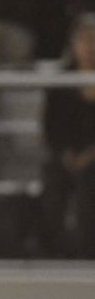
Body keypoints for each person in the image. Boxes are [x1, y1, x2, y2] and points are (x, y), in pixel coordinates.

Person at [40, 14, 95, 257]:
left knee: (88, 181)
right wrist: (66, 153)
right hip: (66, 152)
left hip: (93, 155)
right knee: (54, 176)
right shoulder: (62, 80)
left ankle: (88, 249)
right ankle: (51, 248)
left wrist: (89, 155)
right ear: (73, 44)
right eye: (83, 40)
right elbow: (52, 125)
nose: (89, 47)